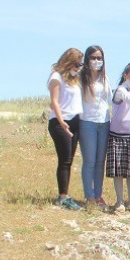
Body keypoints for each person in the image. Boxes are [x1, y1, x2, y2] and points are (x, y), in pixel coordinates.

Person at [47, 48, 84, 210]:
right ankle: (63, 197)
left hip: (76, 121)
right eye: (77, 64)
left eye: (80, 65)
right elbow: (54, 102)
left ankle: (65, 195)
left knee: (69, 160)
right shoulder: (56, 77)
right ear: (69, 62)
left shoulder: (74, 79)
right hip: (60, 122)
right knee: (65, 159)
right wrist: (62, 122)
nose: (78, 67)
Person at [106, 63, 130, 213]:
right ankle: (119, 201)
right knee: (118, 171)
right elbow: (126, 98)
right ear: (125, 76)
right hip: (117, 135)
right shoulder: (120, 90)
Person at [79, 45, 111, 209]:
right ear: (87, 60)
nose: (97, 61)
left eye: (99, 58)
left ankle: (99, 195)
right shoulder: (81, 79)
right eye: (93, 58)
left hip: (104, 122)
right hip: (87, 122)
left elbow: (111, 100)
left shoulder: (105, 78)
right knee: (89, 161)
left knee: (100, 162)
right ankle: (89, 196)